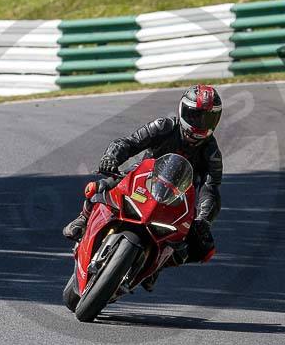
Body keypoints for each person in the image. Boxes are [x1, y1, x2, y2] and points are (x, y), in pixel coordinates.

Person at [62, 85, 223, 290]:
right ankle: (83, 218)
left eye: (207, 119)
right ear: (183, 110)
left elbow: (211, 188)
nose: (200, 123)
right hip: (143, 179)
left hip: (177, 200)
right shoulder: (164, 126)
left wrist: (204, 220)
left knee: (202, 246)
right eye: (195, 115)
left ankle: (158, 266)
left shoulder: (211, 153)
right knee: (103, 185)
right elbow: (130, 142)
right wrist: (112, 157)